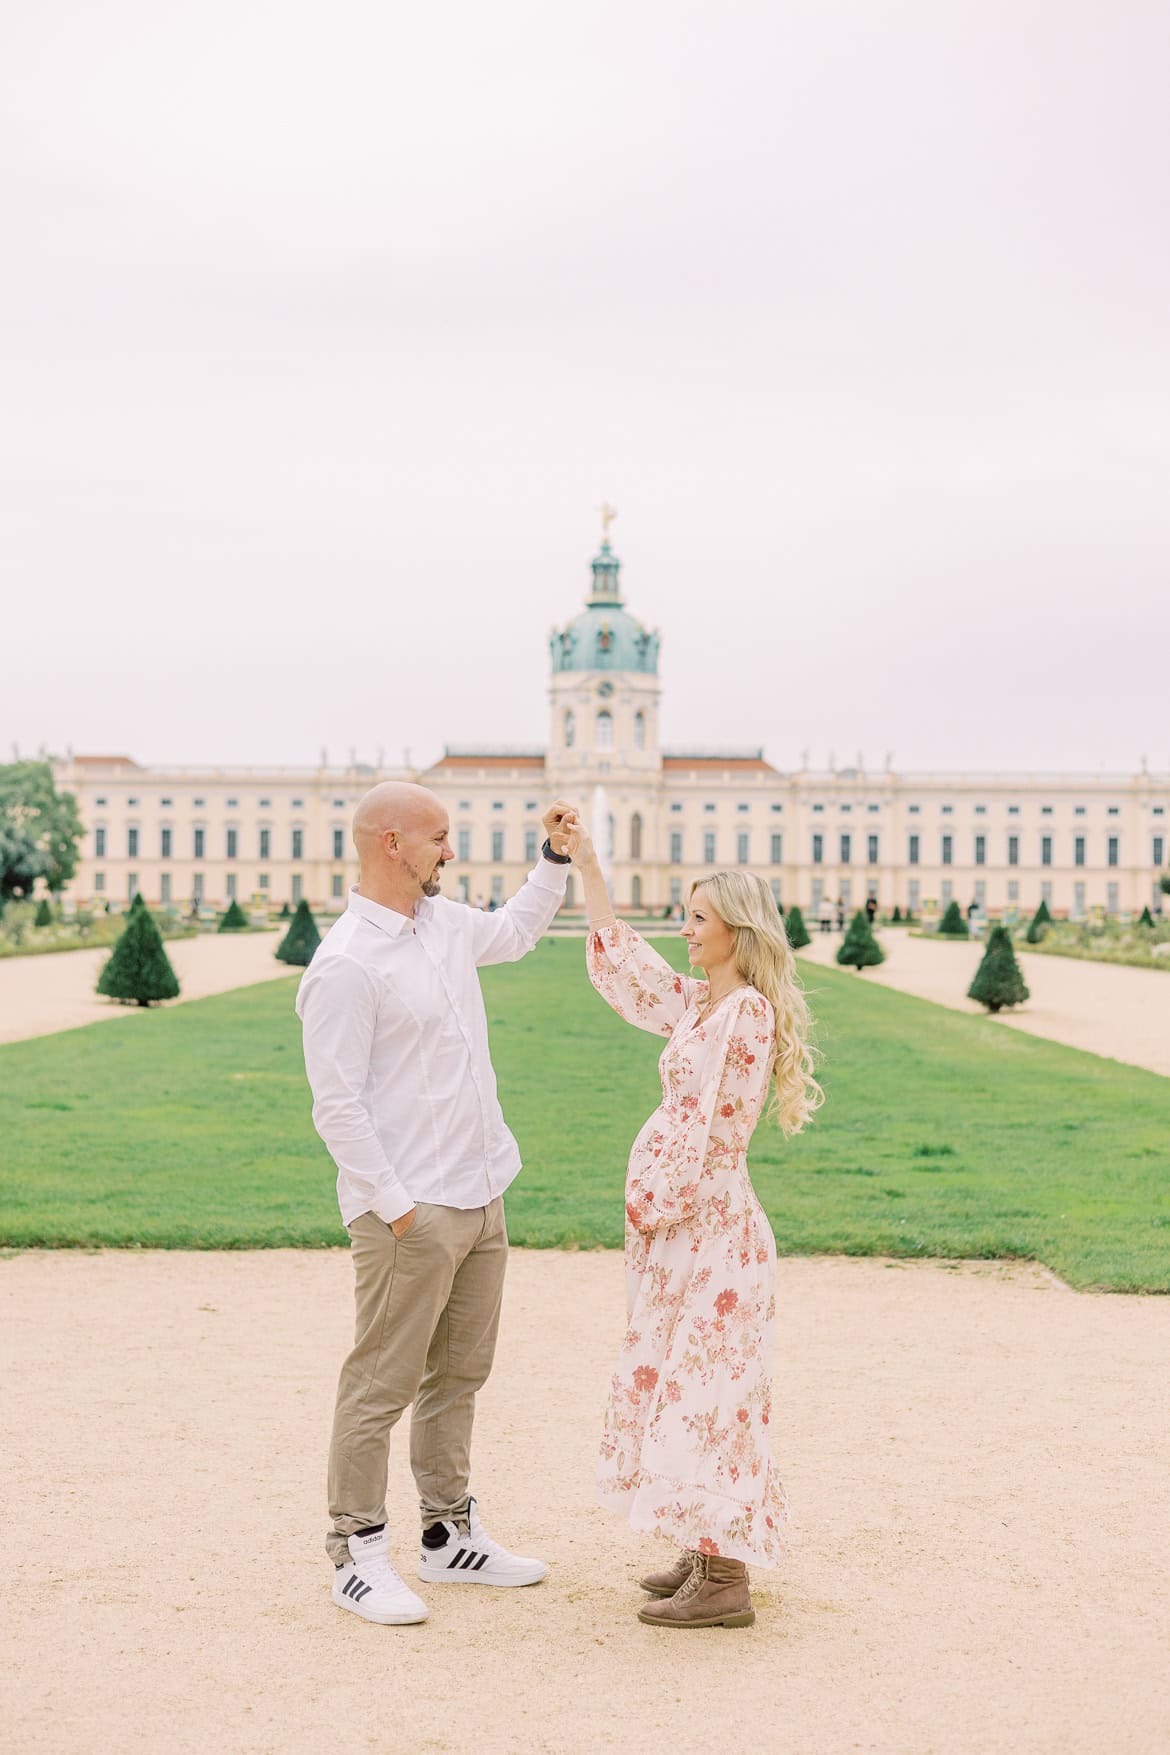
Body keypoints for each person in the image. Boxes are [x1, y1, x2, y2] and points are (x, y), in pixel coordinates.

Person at [296, 782, 576, 1626]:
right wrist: (397, 1206)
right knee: (381, 1383)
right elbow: (336, 1105)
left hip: (483, 1189)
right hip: (409, 1211)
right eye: (439, 838)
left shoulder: (446, 925)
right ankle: (356, 1551)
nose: (449, 850)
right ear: (391, 842)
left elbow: (520, 930)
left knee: (459, 1374)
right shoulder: (346, 964)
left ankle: (449, 1536)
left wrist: (553, 860)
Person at [564, 817, 821, 1629]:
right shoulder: (706, 1002)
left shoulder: (742, 1013)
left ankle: (726, 1576)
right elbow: (632, 974)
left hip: (710, 1225)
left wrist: (655, 1197)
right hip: (689, 1225)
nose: (685, 928)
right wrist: (590, 865)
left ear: (735, 932)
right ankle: (700, 1542)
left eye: (698, 917)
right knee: (679, 1374)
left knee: (708, 1388)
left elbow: (709, 1126)